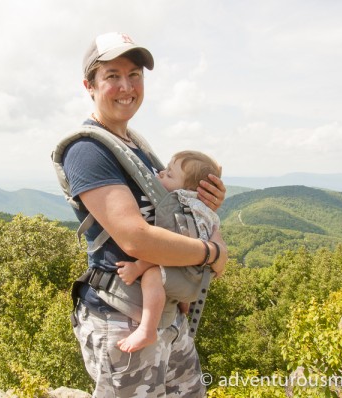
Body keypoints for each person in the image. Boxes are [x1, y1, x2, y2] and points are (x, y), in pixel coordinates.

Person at [60, 32, 228, 397]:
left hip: (166, 315)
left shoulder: (140, 149)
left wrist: (203, 205)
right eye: (113, 76)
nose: (126, 86)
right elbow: (134, 237)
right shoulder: (87, 151)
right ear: (89, 85)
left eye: (134, 74)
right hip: (121, 319)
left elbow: (171, 214)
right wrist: (212, 253)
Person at [115, 150, 221, 353]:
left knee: (152, 276)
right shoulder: (201, 208)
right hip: (199, 275)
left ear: (188, 189)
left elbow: (164, 250)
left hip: (190, 275)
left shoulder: (178, 209)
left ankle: (147, 330)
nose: (162, 173)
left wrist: (138, 267)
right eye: (165, 170)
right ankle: (183, 303)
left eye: (170, 175)